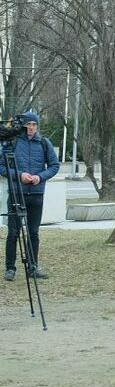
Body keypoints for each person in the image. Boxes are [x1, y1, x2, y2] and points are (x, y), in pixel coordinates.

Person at [3, 111, 59, 281]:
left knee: (33, 232)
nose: (31, 128)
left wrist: (40, 177)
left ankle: (32, 267)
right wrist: (19, 175)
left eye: (34, 124)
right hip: (16, 193)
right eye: (28, 124)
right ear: (23, 126)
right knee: (13, 232)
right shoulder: (12, 142)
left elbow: (54, 165)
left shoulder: (44, 143)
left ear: (37, 126)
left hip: (36, 194)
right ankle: (10, 268)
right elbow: (1, 167)